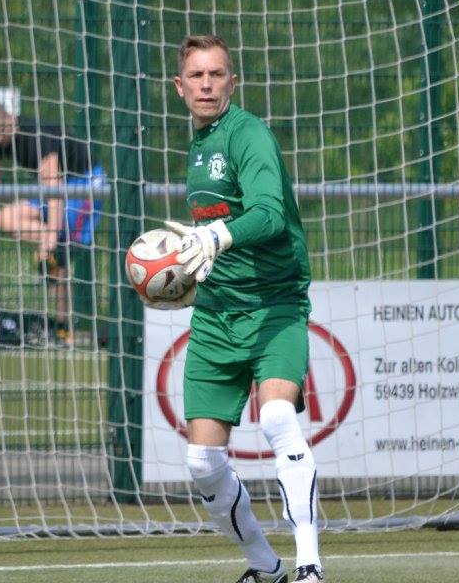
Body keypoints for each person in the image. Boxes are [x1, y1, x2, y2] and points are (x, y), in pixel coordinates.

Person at [163, 35, 322, 583]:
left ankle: (309, 567)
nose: (207, 84)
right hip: (214, 315)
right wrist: (182, 272)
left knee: (277, 416)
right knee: (202, 463)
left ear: (234, 82)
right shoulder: (198, 141)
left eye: (217, 74)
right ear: (179, 87)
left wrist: (218, 238)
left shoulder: (248, 134)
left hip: (274, 304)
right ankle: (266, 568)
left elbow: (271, 216)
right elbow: (212, 232)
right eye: (197, 76)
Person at [0, 99, 103, 331]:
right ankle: (53, 246)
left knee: (56, 255)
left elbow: (54, 185)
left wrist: (52, 233)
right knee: (5, 218)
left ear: (9, 119)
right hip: (56, 189)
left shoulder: (36, 135)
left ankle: (64, 326)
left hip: (85, 184)